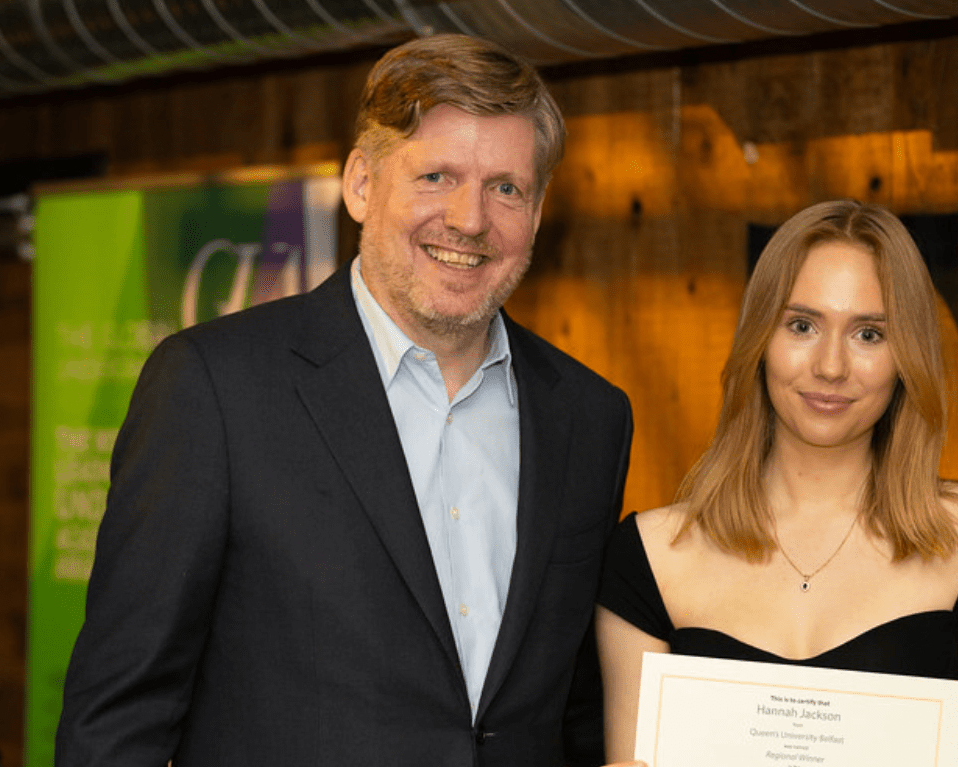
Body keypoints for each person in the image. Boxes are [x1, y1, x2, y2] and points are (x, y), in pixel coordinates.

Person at [56, 34, 635, 766]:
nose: (468, 219)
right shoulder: (215, 389)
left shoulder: (589, 417)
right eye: (435, 176)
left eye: (506, 187)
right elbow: (117, 720)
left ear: (539, 210)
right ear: (361, 184)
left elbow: (575, 713)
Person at [596, 200, 958, 765]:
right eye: (802, 325)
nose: (831, 366)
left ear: (907, 357)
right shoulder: (648, 557)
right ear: (760, 337)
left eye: (869, 334)